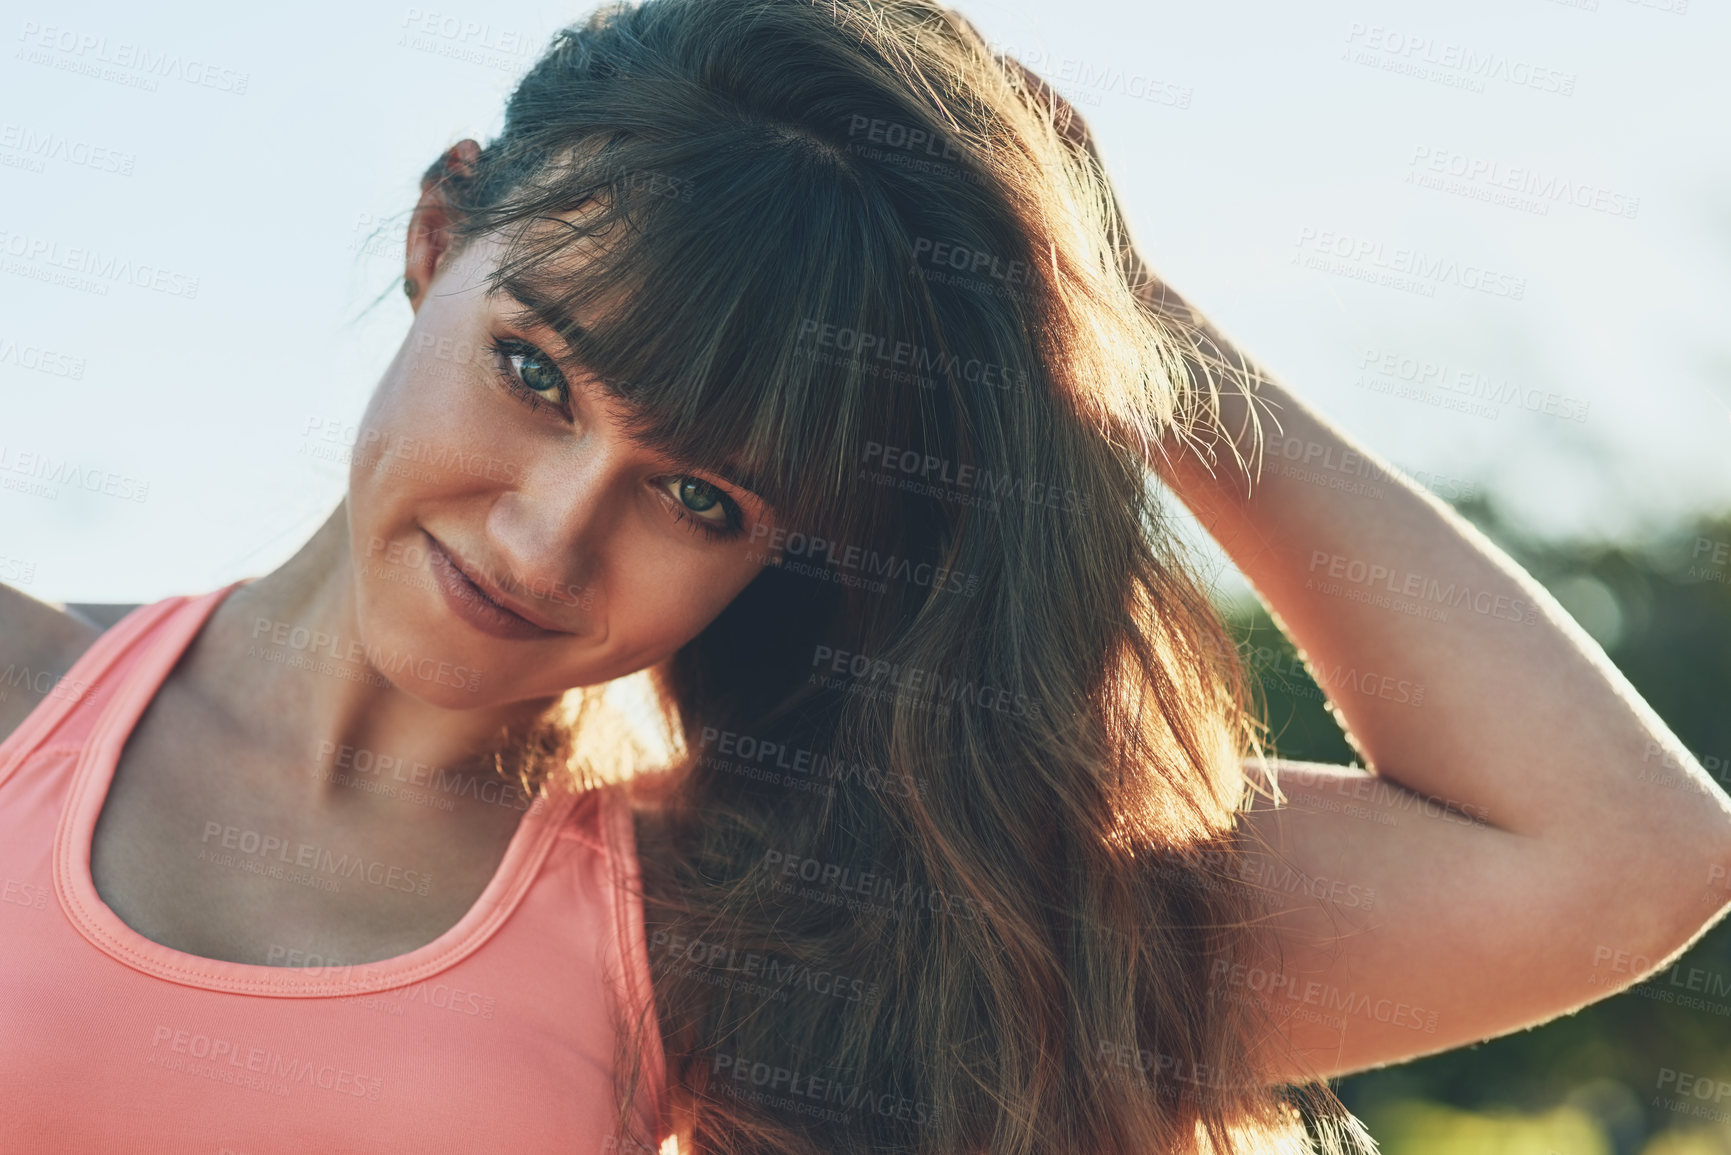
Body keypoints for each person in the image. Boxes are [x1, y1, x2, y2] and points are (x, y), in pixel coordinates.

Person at [3, 0, 1728, 1152]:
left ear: (799, 544)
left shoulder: (753, 917)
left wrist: (1124, 320)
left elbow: (1614, 857)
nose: (543, 539)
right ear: (438, 240)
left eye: (698, 494)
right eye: (535, 375)